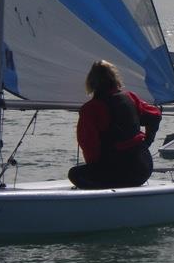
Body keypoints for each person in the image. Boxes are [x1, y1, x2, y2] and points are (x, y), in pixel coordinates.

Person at [68, 60, 161, 189]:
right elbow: (155, 115)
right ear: (115, 79)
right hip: (143, 168)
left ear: (91, 82)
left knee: (74, 174)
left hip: (117, 171)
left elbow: (89, 144)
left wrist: (95, 168)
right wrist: (147, 142)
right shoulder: (131, 97)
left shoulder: (91, 109)